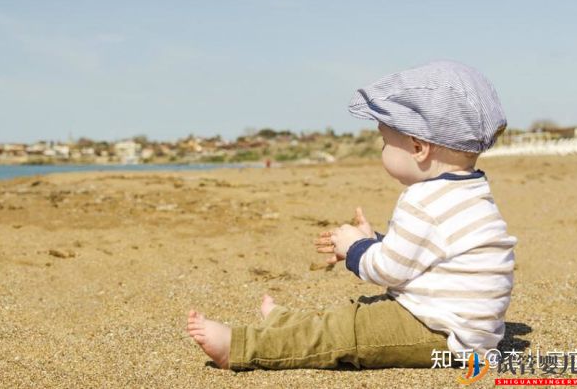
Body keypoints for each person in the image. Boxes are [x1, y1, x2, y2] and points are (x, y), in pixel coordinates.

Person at [186, 60, 517, 370]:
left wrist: (355, 250)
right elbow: (426, 255)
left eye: (386, 141)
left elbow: (388, 271)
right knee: (358, 311)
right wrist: (375, 241)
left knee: (346, 330)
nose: (382, 149)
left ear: (418, 147)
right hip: (465, 329)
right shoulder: (470, 191)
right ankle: (286, 322)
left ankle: (242, 347)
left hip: (442, 335)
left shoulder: (422, 200)